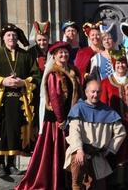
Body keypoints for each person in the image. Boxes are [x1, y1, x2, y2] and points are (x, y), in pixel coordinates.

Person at [16, 41, 81, 190]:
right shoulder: (53, 74)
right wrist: (61, 120)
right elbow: (54, 98)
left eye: (65, 52)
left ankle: (68, 181)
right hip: (56, 121)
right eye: (60, 53)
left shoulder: (72, 70)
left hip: (70, 117)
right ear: (55, 56)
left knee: (67, 151)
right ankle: (53, 182)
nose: (64, 55)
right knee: (55, 151)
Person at [0, 23, 39, 178]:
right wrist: (2, 81)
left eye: (14, 35)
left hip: (19, 100)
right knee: (2, 131)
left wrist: (23, 82)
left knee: (15, 131)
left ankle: (12, 165)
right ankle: (1, 165)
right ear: (3, 38)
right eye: (8, 35)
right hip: (0, 101)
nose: (11, 37)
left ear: (18, 38)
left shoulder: (26, 55)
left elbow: (36, 76)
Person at [64, 79, 127, 190]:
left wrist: (111, 149)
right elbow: (74, 132)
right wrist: (79, 149)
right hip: (81, 152)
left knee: (99, 187)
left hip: (98, 156)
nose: (95, 95)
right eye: (92, 92)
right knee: (77, 179)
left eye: (98, 92)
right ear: (86, 92)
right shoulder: (78, 109)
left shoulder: (108, 112)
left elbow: (121, 132)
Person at [100, 49, 128, 188]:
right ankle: (117, 181)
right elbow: (103, 105)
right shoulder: (106, 82)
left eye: (123, 63)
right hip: (115, 124)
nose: (121, 66)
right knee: (117, 150)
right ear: (114, 64)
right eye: (118, 63)